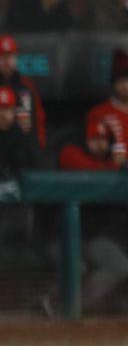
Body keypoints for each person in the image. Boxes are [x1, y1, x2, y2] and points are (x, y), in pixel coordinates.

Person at [57, 120, 128, 310]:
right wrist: (116, 167)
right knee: (114, 265)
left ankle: (77, 304)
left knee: (117, 263)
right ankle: (64, 305)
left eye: (104, 140)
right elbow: (87, 171)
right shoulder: (71, 152)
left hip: (102, 233)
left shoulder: (112, 160)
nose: (100, 144)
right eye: (94, 139)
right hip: (67, 234)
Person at [0, 34, 46, 147]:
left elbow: (35, 121)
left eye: (11, 56)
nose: (7, 61)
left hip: (20, 149)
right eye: (1, 57)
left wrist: (38, 146)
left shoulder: (25, 86)